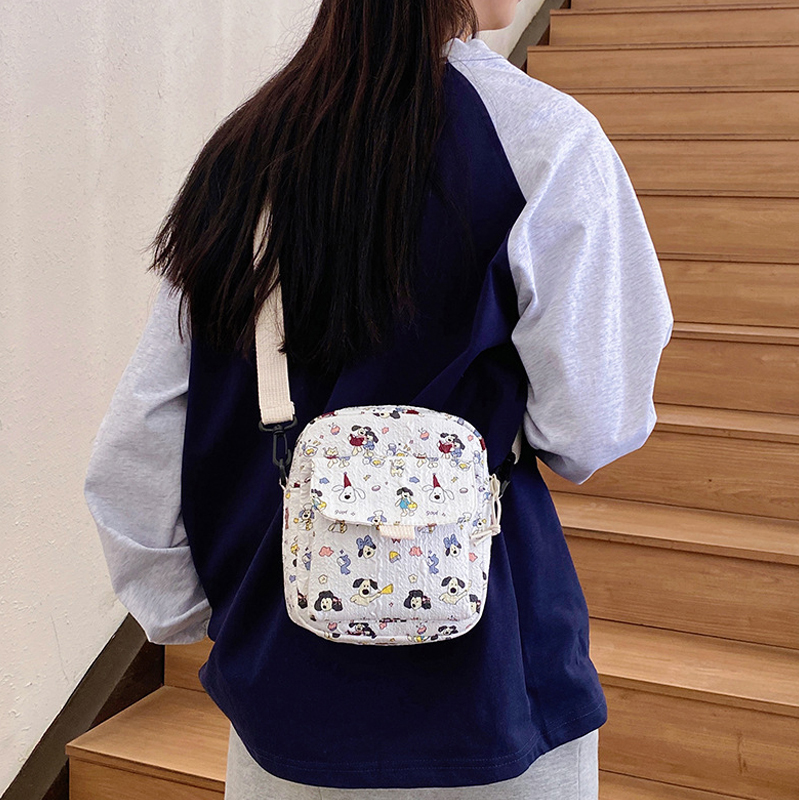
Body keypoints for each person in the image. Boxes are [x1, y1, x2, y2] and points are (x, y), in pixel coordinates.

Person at [84, 0, 674, 798]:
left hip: (290, 683)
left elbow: (141, 441)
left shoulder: (245, 153)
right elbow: (593, 425)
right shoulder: (545, 139)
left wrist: (205, 617)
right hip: (498, 678)